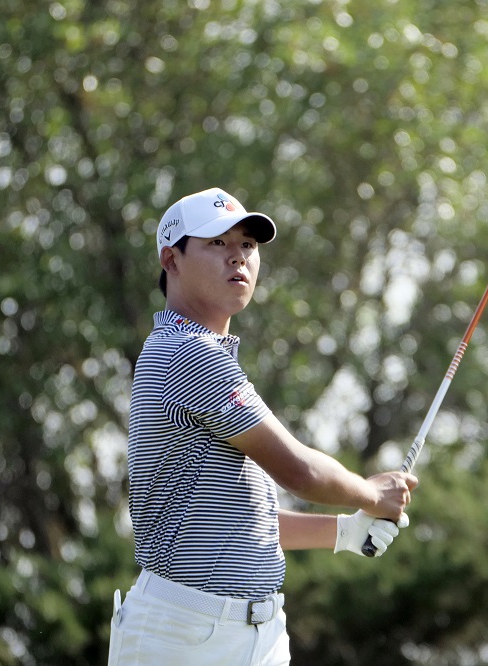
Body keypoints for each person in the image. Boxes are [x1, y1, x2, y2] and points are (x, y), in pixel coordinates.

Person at [108, 187, 418, 665]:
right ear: (171, 260)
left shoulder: (201, 352)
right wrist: (371, 494)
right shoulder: (187, 352)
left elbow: (237, 524)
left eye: (248, 245)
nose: (238, 257)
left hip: (257, 636)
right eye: (217, 243)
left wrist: (344, 532)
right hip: (182, 637)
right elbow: (300, 472)